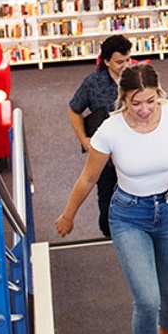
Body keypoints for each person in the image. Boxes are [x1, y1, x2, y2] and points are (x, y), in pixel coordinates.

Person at [56, 63, 168, 334]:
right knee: (147, 300)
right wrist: (68, 215)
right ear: (123, 98)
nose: (144, 109)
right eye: (136, 103)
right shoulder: (110, 130)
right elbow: (88, 178)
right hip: (128, 216)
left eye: (150, 100)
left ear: (159, 94)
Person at [68, 34, 132, 238]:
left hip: (134, 152)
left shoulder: (137, 78)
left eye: (128, 59)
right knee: (106, 206)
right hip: (105, 158)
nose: (126, 65)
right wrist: (84, 140)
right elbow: (74, 109)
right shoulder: (93, 83)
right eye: (120, 62)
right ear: (106, 61)